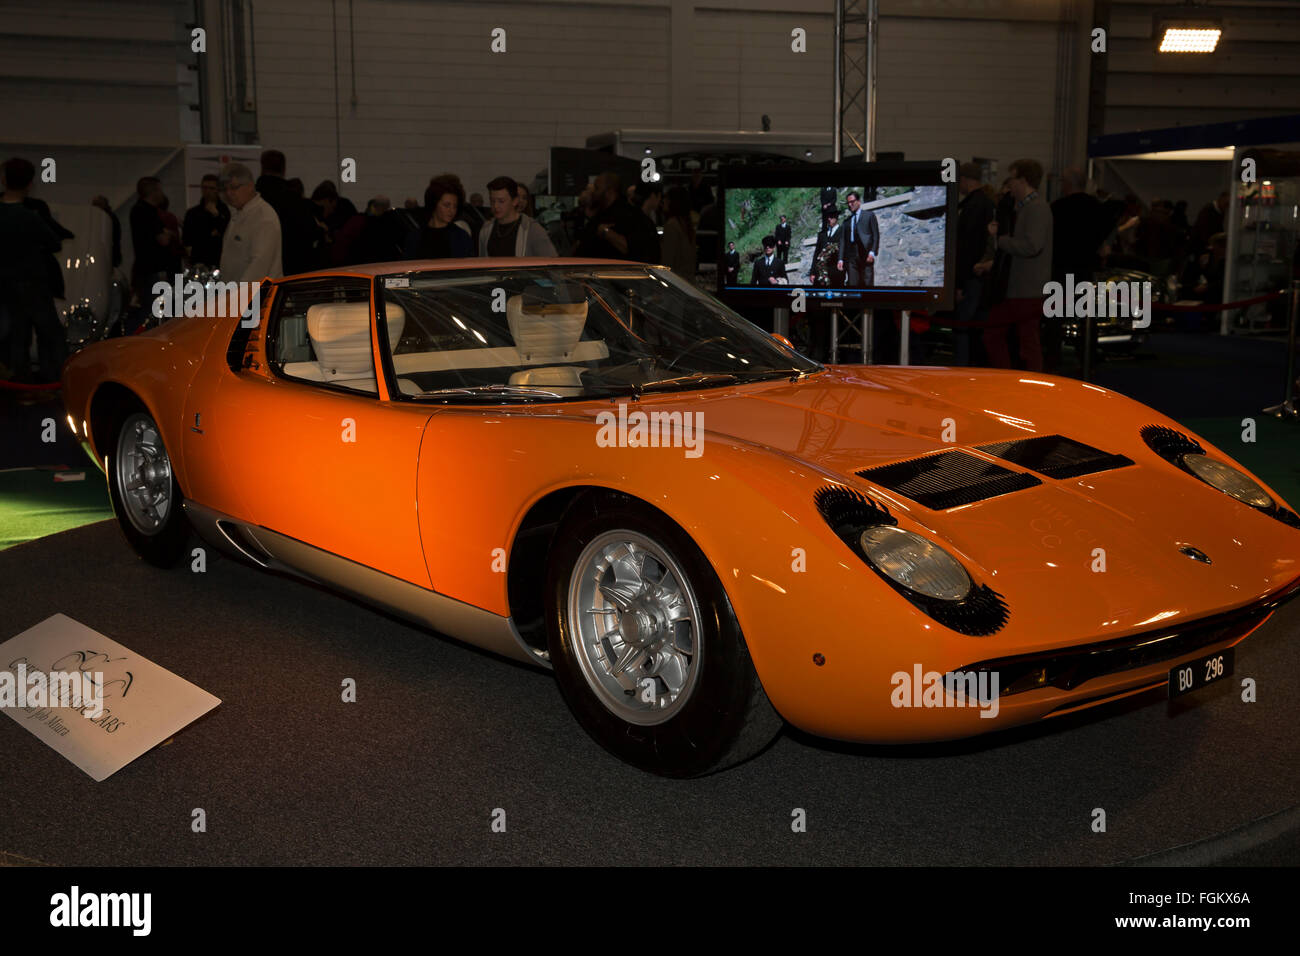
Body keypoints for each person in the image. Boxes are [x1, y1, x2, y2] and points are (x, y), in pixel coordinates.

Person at [983, 159, 1052, 372]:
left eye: (1012, 179)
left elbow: (1032, 246)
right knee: (1026, 341)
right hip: (1025, 289)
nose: (1009, 184)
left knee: (998, 336)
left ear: (1023, 180)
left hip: (1025, 290)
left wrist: (1001, 240)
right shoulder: (1028, 208)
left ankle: (1012, 380)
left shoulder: (1036, 209)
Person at [0, 157, 65, 383]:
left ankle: (18, 380)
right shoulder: (30, 217)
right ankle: (52, 379)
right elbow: (55, 243)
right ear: (29, 184)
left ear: (3, 180)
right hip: (33, 283)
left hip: (6, 284)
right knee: (50, 333)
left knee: (17, 336)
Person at [255, 149, 324, 274]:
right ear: (283, 169)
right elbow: (310, 231)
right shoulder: (294, 199)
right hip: (290, 267)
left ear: (262, 167)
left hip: (255, 266)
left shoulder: (252, 197)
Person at [953, 163, 995, 367]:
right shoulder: (987, 203)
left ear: (966, 180)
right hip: (981, 275)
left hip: (970, 277)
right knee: (978, 328)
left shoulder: (970, 207)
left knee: (962, 327)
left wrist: (959, 283)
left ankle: (962, 368)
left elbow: (966, 247)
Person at [218, 162, 282, 285]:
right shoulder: (237, 214)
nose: (229, 193)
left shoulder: (264, 217)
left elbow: (259, 265)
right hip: (237, 295)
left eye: (234, 187)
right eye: (225, 189)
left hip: (256, 296)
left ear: (250, 186)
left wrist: (237, 298)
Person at [573, 172, 654, 262]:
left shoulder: (630, 216)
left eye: (597, 188)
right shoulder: (599, 215)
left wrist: (606, 232)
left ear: (609, 191)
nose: (593, 193)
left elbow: (636, 249)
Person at [478, 175, 556, 257]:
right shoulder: (486, 230)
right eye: (492, 201)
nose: (495, 206)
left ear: (515, 201)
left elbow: (552, 263)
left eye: (501, 201)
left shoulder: (533, 230)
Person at [413, 178, 474, 259]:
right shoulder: (416, 237)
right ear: (434, 204)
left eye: (455, 206)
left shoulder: (461, 237)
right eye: (447, 205)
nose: (452, 210)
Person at [182, 173, 230, 268]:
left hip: (221, 261)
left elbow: (228, 233)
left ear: (218, 190)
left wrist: (216, 215)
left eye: (211, 188)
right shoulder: (192, 213)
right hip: (199, 261)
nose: (207, 191)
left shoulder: (226, 211)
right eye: (204, 188)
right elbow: (187, 239)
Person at [838, 190, 879, 287]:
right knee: (853, 284)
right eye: (848, 203)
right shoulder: (846, 222)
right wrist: (840, 259)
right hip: (851, 255)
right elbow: (842, 241)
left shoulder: (869, 216)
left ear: (858, 201)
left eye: (852, 202)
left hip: (865, 253)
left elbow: (875, 235)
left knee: (867, 283)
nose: (850, 205)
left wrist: (872, 252)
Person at [659, 185, 695, 279]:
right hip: (687, 280)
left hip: (675, 280)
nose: (664, 202)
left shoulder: (672, 225)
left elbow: (667, 260)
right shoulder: (686, 224)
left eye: (667, 199)